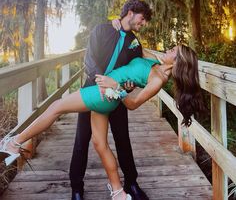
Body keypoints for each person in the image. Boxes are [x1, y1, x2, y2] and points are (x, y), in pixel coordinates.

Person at [0, 44, 204, 200]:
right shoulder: (156, 62)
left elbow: (132, 104)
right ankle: (118, 192)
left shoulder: (159, 79)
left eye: (173, 51)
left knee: (55, 108)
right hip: (107, 97)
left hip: (103, 93)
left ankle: (15, 142)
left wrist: (116, 86)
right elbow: (134, 49)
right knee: (100, 144)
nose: (168, 49)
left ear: (177, 62)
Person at [70, 0, 152, 200]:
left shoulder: (135, 45)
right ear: (131, 12)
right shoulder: (101, 30)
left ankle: (131, 183)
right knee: (82, 140)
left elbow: (133, 72)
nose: (143, 24)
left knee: (122, 138)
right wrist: (100, 81)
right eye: (142, 19)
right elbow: (89, 59)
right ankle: (77, 188)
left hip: (116, 96)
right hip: (92, 91)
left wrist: (129, 86)